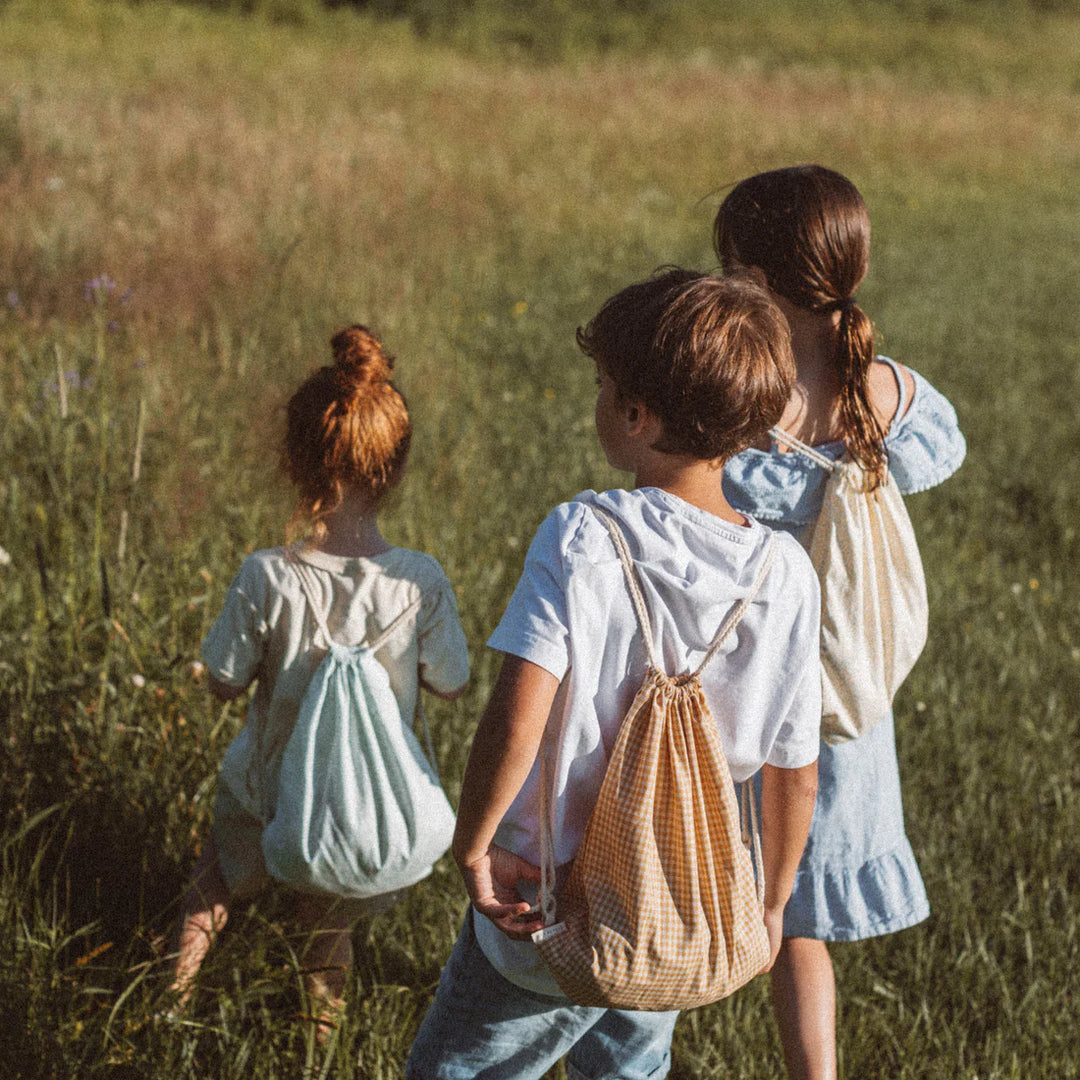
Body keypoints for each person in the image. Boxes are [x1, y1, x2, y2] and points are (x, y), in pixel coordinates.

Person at [406, 269, 822, 1080]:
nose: (597, 401)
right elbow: (795, 770)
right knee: (629, 1067)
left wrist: (475, 843)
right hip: (672, 893)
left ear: (637, 415)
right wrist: (771, 903)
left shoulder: (583, 536)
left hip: (544, 896)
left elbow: (518, 716)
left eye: (603, 387)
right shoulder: (785, 573)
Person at [715, 164, 966, 1080]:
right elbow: (944, 443)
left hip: (742, 694)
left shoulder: (745, 404)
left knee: (697, 882)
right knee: (801, 918)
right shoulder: (888, 395)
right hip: (847, 696)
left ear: (755, 280)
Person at [168, 325, 470, 1032]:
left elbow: (225, 678)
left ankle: (167, 1007)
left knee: (211, 886)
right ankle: (318, 1048)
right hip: (345, 804)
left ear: (294, 460)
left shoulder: (265, 575)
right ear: (395, 469)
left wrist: (207, 676)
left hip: (265, 784)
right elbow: (452, 683)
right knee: (324, 933)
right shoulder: (418, 582)